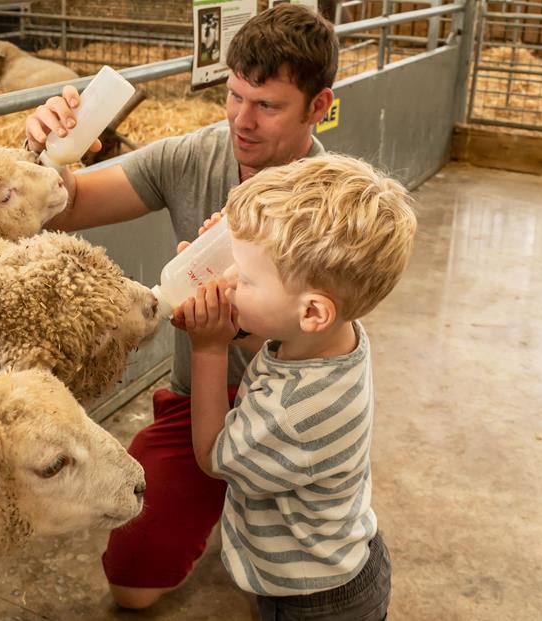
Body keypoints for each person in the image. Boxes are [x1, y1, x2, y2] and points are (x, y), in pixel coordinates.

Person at [24, 4, 339, 610]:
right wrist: (45, 153)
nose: (242, 121)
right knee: (133, 584)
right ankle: (213, 490)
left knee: (301, 575)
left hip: (287, 410)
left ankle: (246, 493)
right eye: (234, 94)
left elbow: (314, 343)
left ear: (318, 107)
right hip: (198, 396)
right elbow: (71, 205)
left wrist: (221, 330)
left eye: (267, 106)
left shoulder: (331, 204)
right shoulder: (195, 155)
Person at [174, 154, 416, 620]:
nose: (225, 282)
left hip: (314, 600)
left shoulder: (293, 415)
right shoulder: (334, 338)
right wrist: (235, 250)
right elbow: (275, 342)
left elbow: (212, 455)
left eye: (241, 278)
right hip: (334, 566)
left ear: (311, 312)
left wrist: (208, 349)